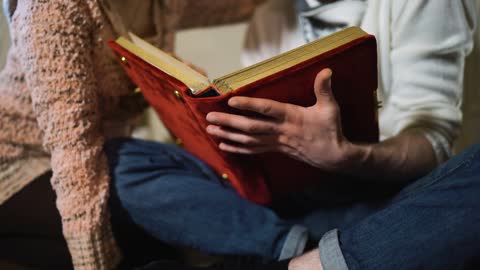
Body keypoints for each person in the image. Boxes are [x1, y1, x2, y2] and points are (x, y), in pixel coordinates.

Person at [102, 0, 480, 269]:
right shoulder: (270, 14)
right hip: (282, 202)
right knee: (120, 161)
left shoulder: (425, 3)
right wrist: (210, 124)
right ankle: (303, 249)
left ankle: (289, 250)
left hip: (378, 195)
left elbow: (434, 144)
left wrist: (348, 155)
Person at [0, 0, 263, 269]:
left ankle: (280, 242)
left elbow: (232, 6)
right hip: (16, 164)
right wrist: (93, 263)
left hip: (102, 151)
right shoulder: (52, 7)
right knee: (149, 246)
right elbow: (74, 152)